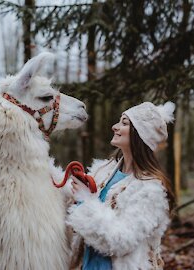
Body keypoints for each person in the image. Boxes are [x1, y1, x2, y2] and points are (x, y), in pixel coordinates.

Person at [67, 101, 176, 270]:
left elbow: (120, 241)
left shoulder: (150, 191)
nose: (114, 127)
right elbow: (70, 196)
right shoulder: (103, 171)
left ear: (140, 134)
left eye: (124, 123)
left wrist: (85, 199)